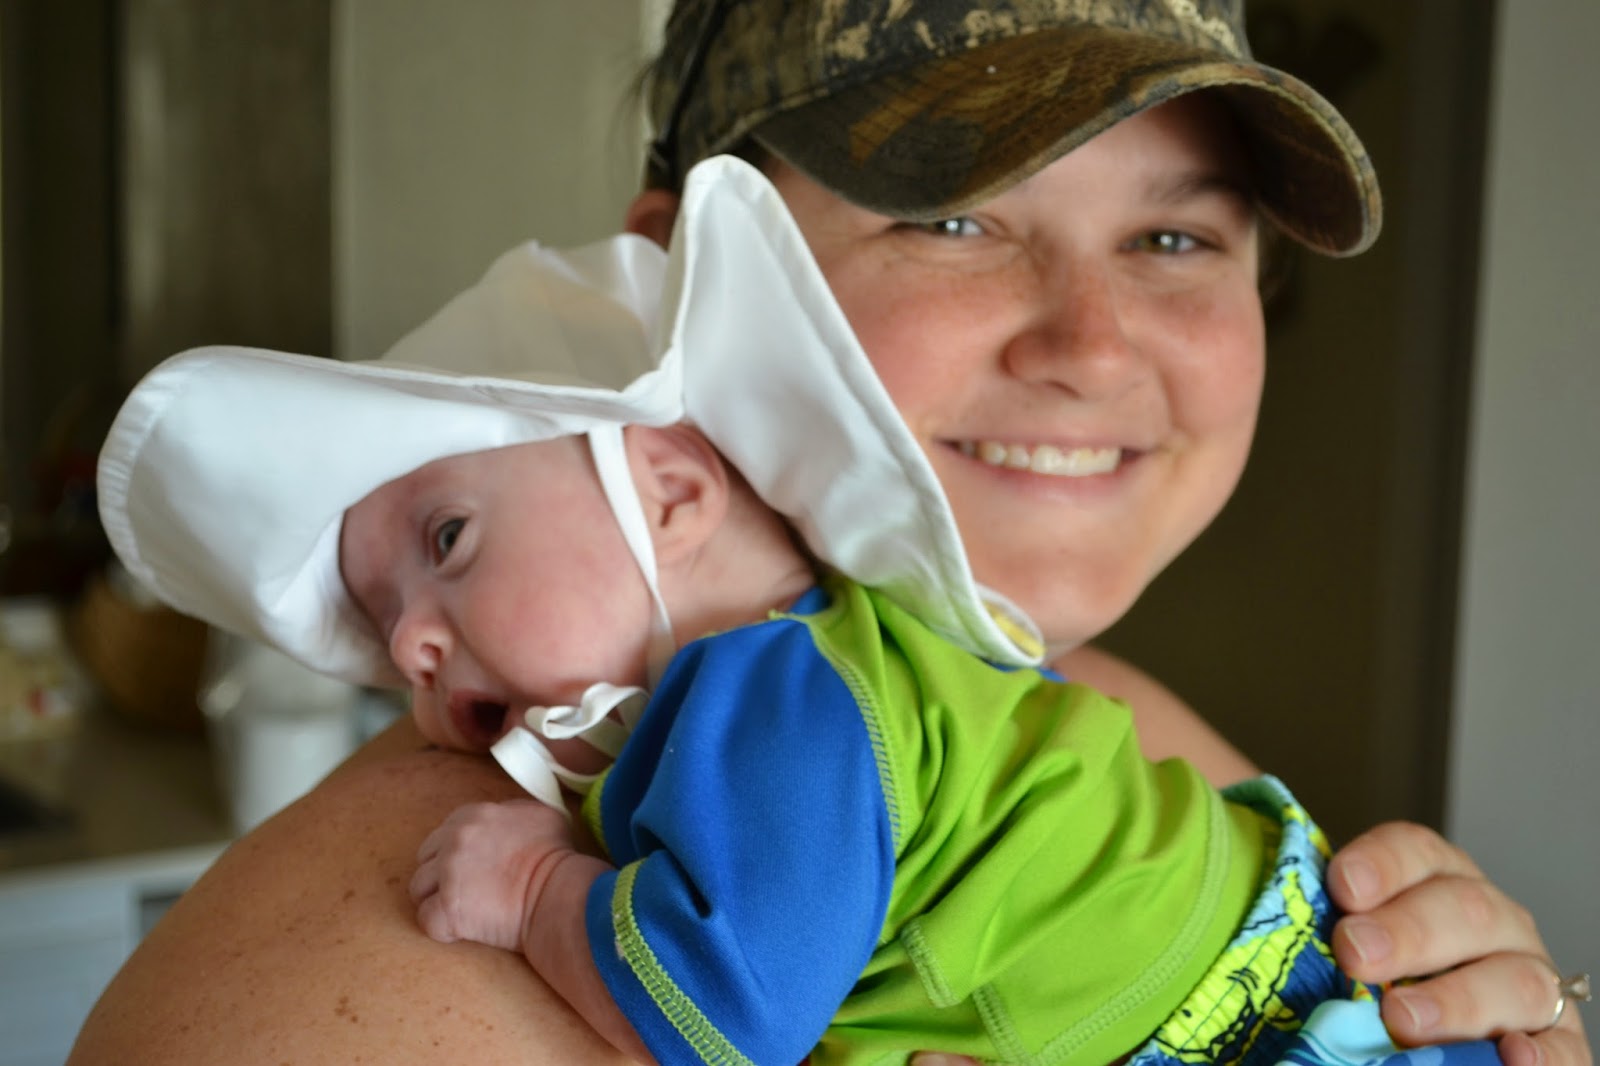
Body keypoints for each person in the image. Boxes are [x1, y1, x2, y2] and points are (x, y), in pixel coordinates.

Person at [67, 3, 1591, 1064]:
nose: (1093, 345)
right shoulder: (361, 980)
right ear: (674, 278)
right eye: (955, 216)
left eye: (1176, 235)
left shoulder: (1113, 723)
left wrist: (1486, 1023)